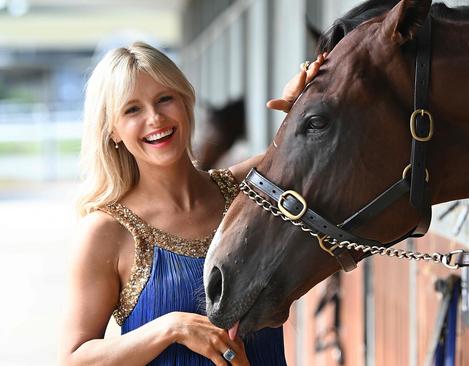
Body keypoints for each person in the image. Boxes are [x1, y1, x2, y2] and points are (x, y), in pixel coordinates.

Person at [58, 41, 324, 366]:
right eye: (132, 110)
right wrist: (173, 327)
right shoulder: (107, 231)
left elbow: (310, 154)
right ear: (112, 131)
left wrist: (306, 103)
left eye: (164, 99)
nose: (155, 118)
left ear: (186, 103)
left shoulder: (248, 190)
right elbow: (75, 358)